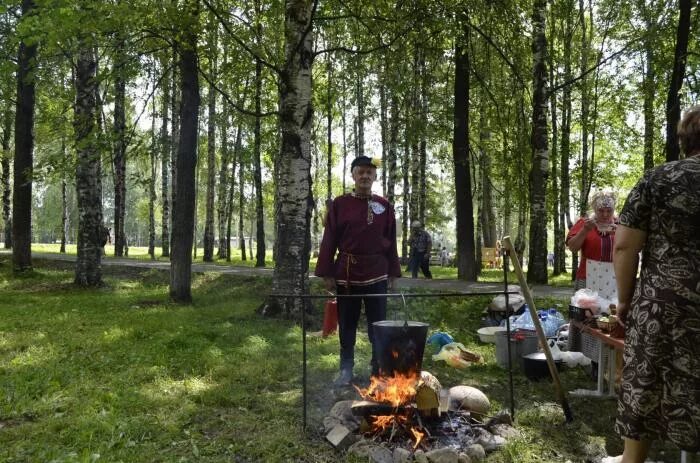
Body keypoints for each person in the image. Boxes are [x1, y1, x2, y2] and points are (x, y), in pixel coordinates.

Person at [612, 106, 700, 462]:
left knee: (645, 387)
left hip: (660, 307)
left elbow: (624, 245)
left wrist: (624, 300)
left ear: (685, 139)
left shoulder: (658, 178)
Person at [315, 155, 401, 386]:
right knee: (348, 323)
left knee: (378, 324)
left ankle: (378, 370)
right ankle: (346, 370)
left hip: (377, 273)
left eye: (369, 173)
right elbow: (329, 239)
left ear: (375, 177)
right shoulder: (340, 204)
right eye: (360, 172)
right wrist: (327, 272)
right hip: (347, 273)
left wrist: (394, 272)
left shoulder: (384, 205)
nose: (364, 176)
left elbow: (391, 240)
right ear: (353, 175)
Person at [566, 189, 618, 290]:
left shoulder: (621, 225)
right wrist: (585, 230)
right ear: (594, 208)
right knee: (586, 306)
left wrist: (619, 234)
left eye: (609, 210)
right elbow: (572, 248)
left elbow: (632, 249)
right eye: (601, 210)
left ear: (614, 209)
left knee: (611, 306)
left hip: (614, 279)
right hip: (586, 278)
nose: (605, 214)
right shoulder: (584, 223)